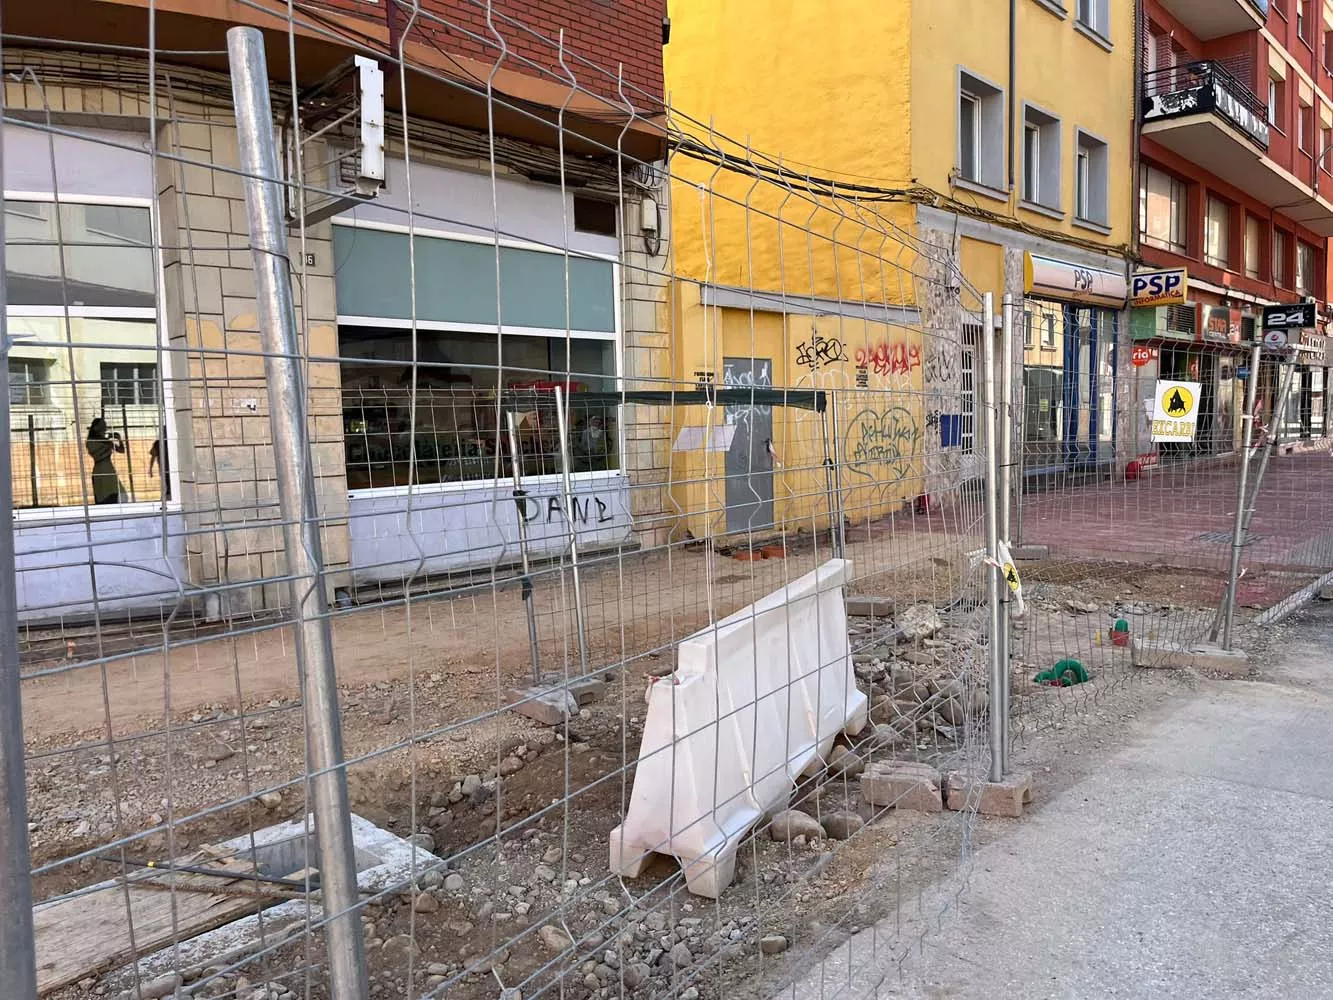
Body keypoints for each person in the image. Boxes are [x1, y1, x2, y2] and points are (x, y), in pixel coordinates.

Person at [86, 417, 125, 504]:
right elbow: (98, 455)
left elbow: (121, 450)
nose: (105, 428)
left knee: (116, 493)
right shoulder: (91, 441)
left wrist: (118, 439)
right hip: (100, 470)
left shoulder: (105, 441)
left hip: (109, 469)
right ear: (96, 427)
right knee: (103, 496)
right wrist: (108, 442)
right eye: (102, 425)